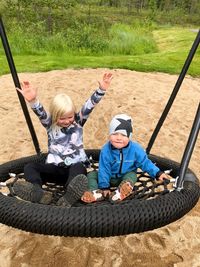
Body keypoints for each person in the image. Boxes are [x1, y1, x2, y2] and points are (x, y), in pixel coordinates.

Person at [13, 72, 113, 206]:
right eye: (62, 118)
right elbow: (41, 113)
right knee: (30, 167)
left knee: (79, 168)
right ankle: (37, 192)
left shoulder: (78, 121)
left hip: (75, 171)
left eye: (69, 117)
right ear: (54, 116)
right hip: (55, 169)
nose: (67, 121)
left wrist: (101, 90)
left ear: (74, 114)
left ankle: (69, 195)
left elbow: (90, 105)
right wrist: (32, 101)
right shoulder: (50, 124)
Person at [81, 113, 170, 203]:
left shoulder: (135, 149)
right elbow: (104, 169)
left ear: (129, 136)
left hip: (125, 176)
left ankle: (122, 191)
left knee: (132, 175)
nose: (119, 138)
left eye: (123, 135)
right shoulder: (106, 150)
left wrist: (158, 173)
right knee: (91, 175)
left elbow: (145, 163)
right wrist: (104, 187)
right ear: (109, 135)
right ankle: (94, 192)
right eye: (115, 134)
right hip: (109, 177)